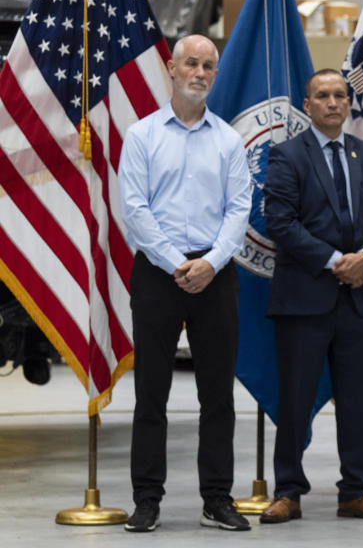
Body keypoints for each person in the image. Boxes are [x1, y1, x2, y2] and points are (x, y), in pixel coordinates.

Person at [118, 34, 253, 532]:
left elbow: (240, 209)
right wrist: (178, 262)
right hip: (158, 273)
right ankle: (147, 500)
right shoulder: (143, 136)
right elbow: (135, 208)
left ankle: (216, 498)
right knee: (151, 393)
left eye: (208, 65)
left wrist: (211, 263)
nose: (199, 72)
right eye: (190, 63)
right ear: (171, 70)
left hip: (215, 277)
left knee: (217, 395)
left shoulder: (228, 140)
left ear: (215, 75)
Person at [259, 69, 363, 523]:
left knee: (357, 401)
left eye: (340, 95)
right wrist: (336, 260)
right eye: (323, 96)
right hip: (305, 299)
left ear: (348, 103)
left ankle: (355, 490)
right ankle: (288, 491)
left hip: (359, 300)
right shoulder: (286, 155)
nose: (333, 102)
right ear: (308, 104)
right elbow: (279, 222)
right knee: (295, 400)